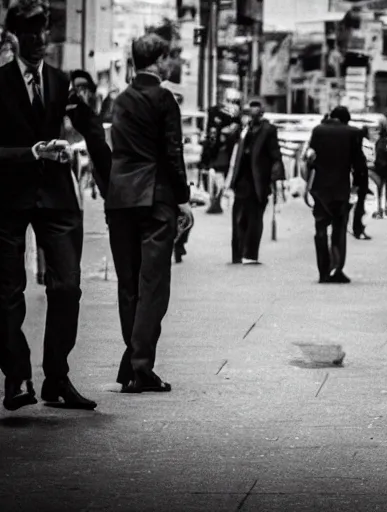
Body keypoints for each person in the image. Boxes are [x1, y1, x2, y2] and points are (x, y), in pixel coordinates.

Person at [0, 0, 111, 412]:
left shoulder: (62, 81)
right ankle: (16, 377)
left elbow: (89, 124)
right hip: (8, 200)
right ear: (14, 37)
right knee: (7, 292)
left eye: (43, 33)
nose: (38, 42)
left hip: (56, 197)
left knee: (67, 286)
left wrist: (107, 177)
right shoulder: (1, 83)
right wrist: (31, 153)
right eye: (29, 34)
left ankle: (56, 379)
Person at [104, 28, 193, 393]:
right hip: (156, 198)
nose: (173, 63)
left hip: (121, 198)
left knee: (129, 284)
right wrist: (184, 199)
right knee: (153, 285)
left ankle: (133, 363)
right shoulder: (163, 100)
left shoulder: (120, 100)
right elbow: (173, 154)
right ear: (158, 61)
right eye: (169, 57)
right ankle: (141, 366)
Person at [306, 106, 367, 283]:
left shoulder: (318, 130)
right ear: (346, 119)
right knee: (339, 229)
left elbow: (311, 156)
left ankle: (323, 271)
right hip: (341, 189)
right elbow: (359, 163)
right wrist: (358, 186)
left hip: (319, 188)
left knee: (320, 228)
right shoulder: (352, 133)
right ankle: (336, 269)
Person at [225, 100, 284, 264]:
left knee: (255, 218)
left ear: (261, 113)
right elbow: (232, 148)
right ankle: (237, 253)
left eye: (255, 113)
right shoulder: (243, 129)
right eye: (249, 113)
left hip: (259, 181)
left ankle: (250, 253)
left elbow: (275, 154)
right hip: (242, 180)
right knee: (238, 217)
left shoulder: (268, 130)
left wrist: (276, 178)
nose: (252, 116)